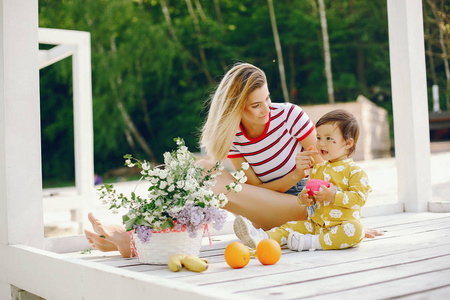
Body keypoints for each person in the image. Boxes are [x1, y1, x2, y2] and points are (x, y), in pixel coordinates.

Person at [84, 63, 382, 257]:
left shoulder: (291, 116)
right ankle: (139, 232)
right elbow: (252, 187)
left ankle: (131, 240)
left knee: (208, 180)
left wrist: (344, 220)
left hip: (302, 207)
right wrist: (291, 175)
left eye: (267, 98)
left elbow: (328, 176)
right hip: (269, 203)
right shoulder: (234, 138)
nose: (266, 108)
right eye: (255, 105)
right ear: (236, 108)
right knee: (201, 170)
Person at [234, 109, 371, 251]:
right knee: (289, 226)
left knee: (356, 230)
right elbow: (307, 197)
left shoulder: (354, 171)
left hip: (340, 226)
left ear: (348, 143)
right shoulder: (318, 169)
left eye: (329, 139)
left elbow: (359, 198)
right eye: (319, 138)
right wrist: (304, 198)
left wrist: (333, 196)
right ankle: (261, 238)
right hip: (315, 225)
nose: (321, 144)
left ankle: (313, 242)